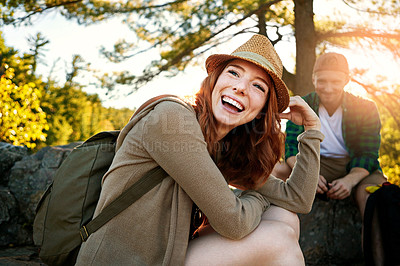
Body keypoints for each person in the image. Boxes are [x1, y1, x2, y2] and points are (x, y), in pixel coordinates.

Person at [76, 34, 323, 265]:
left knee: (285, 218)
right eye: (234, 73)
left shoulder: (222, 147)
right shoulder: (172, 119)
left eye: (258, 86)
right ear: (214, 81)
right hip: (124, 259)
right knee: (277, 238)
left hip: (167, 251)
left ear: (262, 110)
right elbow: (234, 223)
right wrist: (257, 196)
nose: (241, 87)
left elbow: (297, 200)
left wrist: (311, 131)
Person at [273, 52, 387, 264]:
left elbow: (368, 155)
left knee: (374, 196)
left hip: (355, 167)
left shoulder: (365, 108)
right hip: (315, 162)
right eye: (322, 81)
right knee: (274, 173)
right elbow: (290, 149)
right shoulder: (302, 103)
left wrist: (350, 181)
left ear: (346, 80)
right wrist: (309, 175)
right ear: (314, 79)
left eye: (335, 81)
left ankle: (378, 259)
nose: (328, 87)